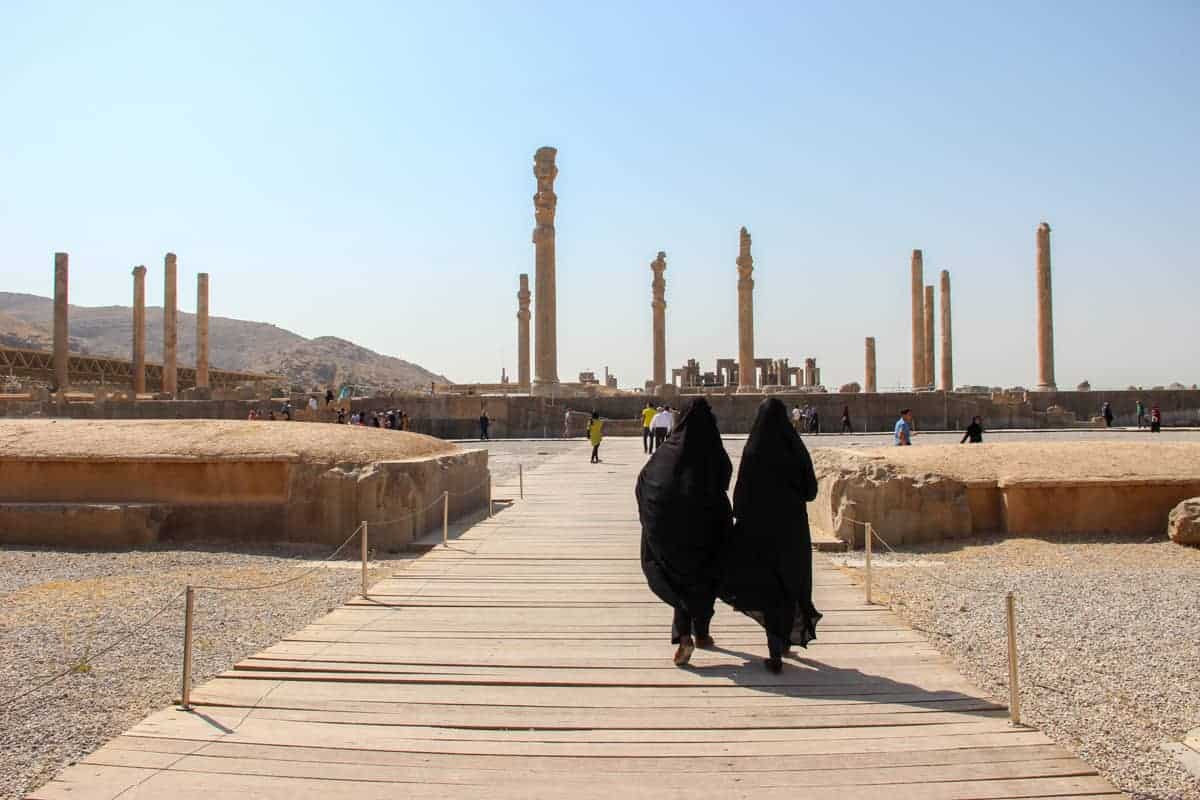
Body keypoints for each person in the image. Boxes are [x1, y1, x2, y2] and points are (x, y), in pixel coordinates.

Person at [719, 398, 821, 674]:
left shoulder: (753, 449)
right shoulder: (795, 448)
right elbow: (811, 491)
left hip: (758, 530)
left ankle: (775, 645)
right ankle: (782, 640)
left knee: (766, 585)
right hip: (791, 530)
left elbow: (740, 496)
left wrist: (740, 518)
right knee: (789, 582)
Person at [636, 398, 732, 666]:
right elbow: (725, 477)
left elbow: (645, 480)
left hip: (671, 527)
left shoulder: (668, 450)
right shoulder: (713, 449)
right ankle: (701, 632)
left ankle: (684, 636)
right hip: (708, 523)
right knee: (705, 575)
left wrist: (650, 516)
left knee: (679, 575)